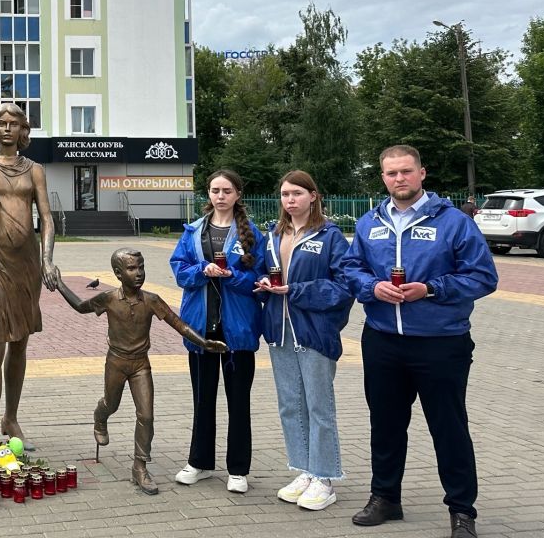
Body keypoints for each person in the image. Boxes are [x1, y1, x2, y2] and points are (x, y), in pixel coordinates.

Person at [343, 145, 497, 538]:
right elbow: (350, 268)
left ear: (422, 173)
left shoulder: (453, 222)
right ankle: (385, 498)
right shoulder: (369, 222)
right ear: (383, 177)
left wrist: (429, 289)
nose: (400, 179)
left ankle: (462, 511)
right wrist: (371, 287)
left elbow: (483, 277)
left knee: (448, 427)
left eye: (406, 171)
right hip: (382, 340)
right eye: (392, 173)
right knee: (386, 425)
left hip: (440, 342)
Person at [57, 248, 226, 495]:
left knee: (146, 416)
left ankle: (139, 466)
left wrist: (204, 342)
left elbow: (178, 323)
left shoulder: (152, 300)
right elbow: (81, 306)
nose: (139, 273)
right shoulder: (108, 299)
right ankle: (100, 417)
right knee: (110, 404)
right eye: (131, 268)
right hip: (115, 362)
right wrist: (59, 283)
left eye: (141, 267)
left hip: (140, 365)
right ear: (117, 273)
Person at [254, 170, 352, 511]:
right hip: (280, 332)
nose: (290, 199)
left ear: (314, 196)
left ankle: (325, 477)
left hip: (313, 333)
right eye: (284, 194)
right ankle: (304, 470)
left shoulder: (331, 237)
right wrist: (266, 284)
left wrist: (295, 291)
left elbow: (343, 287)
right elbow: (268, 273)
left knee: (318, 406)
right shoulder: (273, 234)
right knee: (290, 406)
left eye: (296, 193)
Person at [0, 103, 59, 444]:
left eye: (13, 123)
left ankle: (11, 418)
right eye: (1, 123)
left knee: (19, 343)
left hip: (27, 265)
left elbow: (46, 218)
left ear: (23, 130)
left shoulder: (35, 170)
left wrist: (48, 260)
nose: (7, 128)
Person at [169, 168, 265, 493]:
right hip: (200, 329)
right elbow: (179, 271)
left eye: (226, 190)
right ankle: (199, 462)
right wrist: (202, 269)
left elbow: (260, 281)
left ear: (238, 194)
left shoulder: (251, 233)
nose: (220, 196)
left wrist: (230, 277)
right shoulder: (193, 231)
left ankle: (238, 469)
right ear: (208, 194)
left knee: (239, 402)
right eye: (214, 190)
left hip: (237, 331)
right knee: (202, 399)